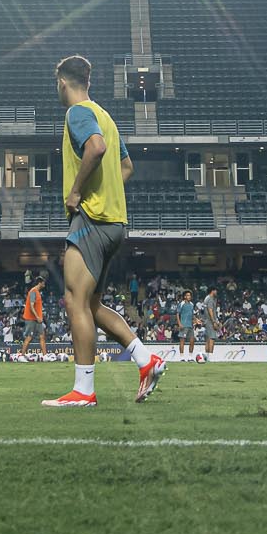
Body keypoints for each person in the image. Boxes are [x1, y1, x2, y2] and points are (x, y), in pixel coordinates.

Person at [41, 54, 165, 408]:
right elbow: (126, 166)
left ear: (62, 82)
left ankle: (83, 390)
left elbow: (96, 148)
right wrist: (103, 188)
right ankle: (147, 360)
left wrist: (79, 191)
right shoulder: (105, 116)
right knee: (91, 303)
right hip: (115, 222)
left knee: (74, 299)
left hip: (92, 220)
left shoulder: (77, 113)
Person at [22, 274, 49, 361]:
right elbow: (31, 306)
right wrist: (37, 316)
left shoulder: (37, 292)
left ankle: (45, 356)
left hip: (38, 319)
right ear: (40, 283)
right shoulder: (33, 291)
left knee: (42, 336)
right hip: (31, 319)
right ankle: (22, 356)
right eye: (43, 283)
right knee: (29, 337)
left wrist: (39, 317)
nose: (44, 284)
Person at [199, 286, 222, 362]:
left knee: (208, 340)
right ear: (212, 291)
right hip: (210, 321)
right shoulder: (210, 299)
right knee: (212, 339)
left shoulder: (206, 298)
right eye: (216, 290)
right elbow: (210, 310)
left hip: (206, 321)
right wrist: (214, 322)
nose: (216, 292)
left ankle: (207, 357)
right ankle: (210, 358)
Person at [175, 291, 197, 359]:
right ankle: (182, 357)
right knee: (182, 341)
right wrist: (179, 324)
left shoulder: (192, 304)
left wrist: (196, 320)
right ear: (184, 296)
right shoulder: (181, 304)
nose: (189, 297)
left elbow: (192, 315)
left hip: (190, 325)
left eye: (190, 295)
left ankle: (190, 357)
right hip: (183, 325)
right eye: (187, 295)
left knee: (192, 341)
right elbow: (177, 314)